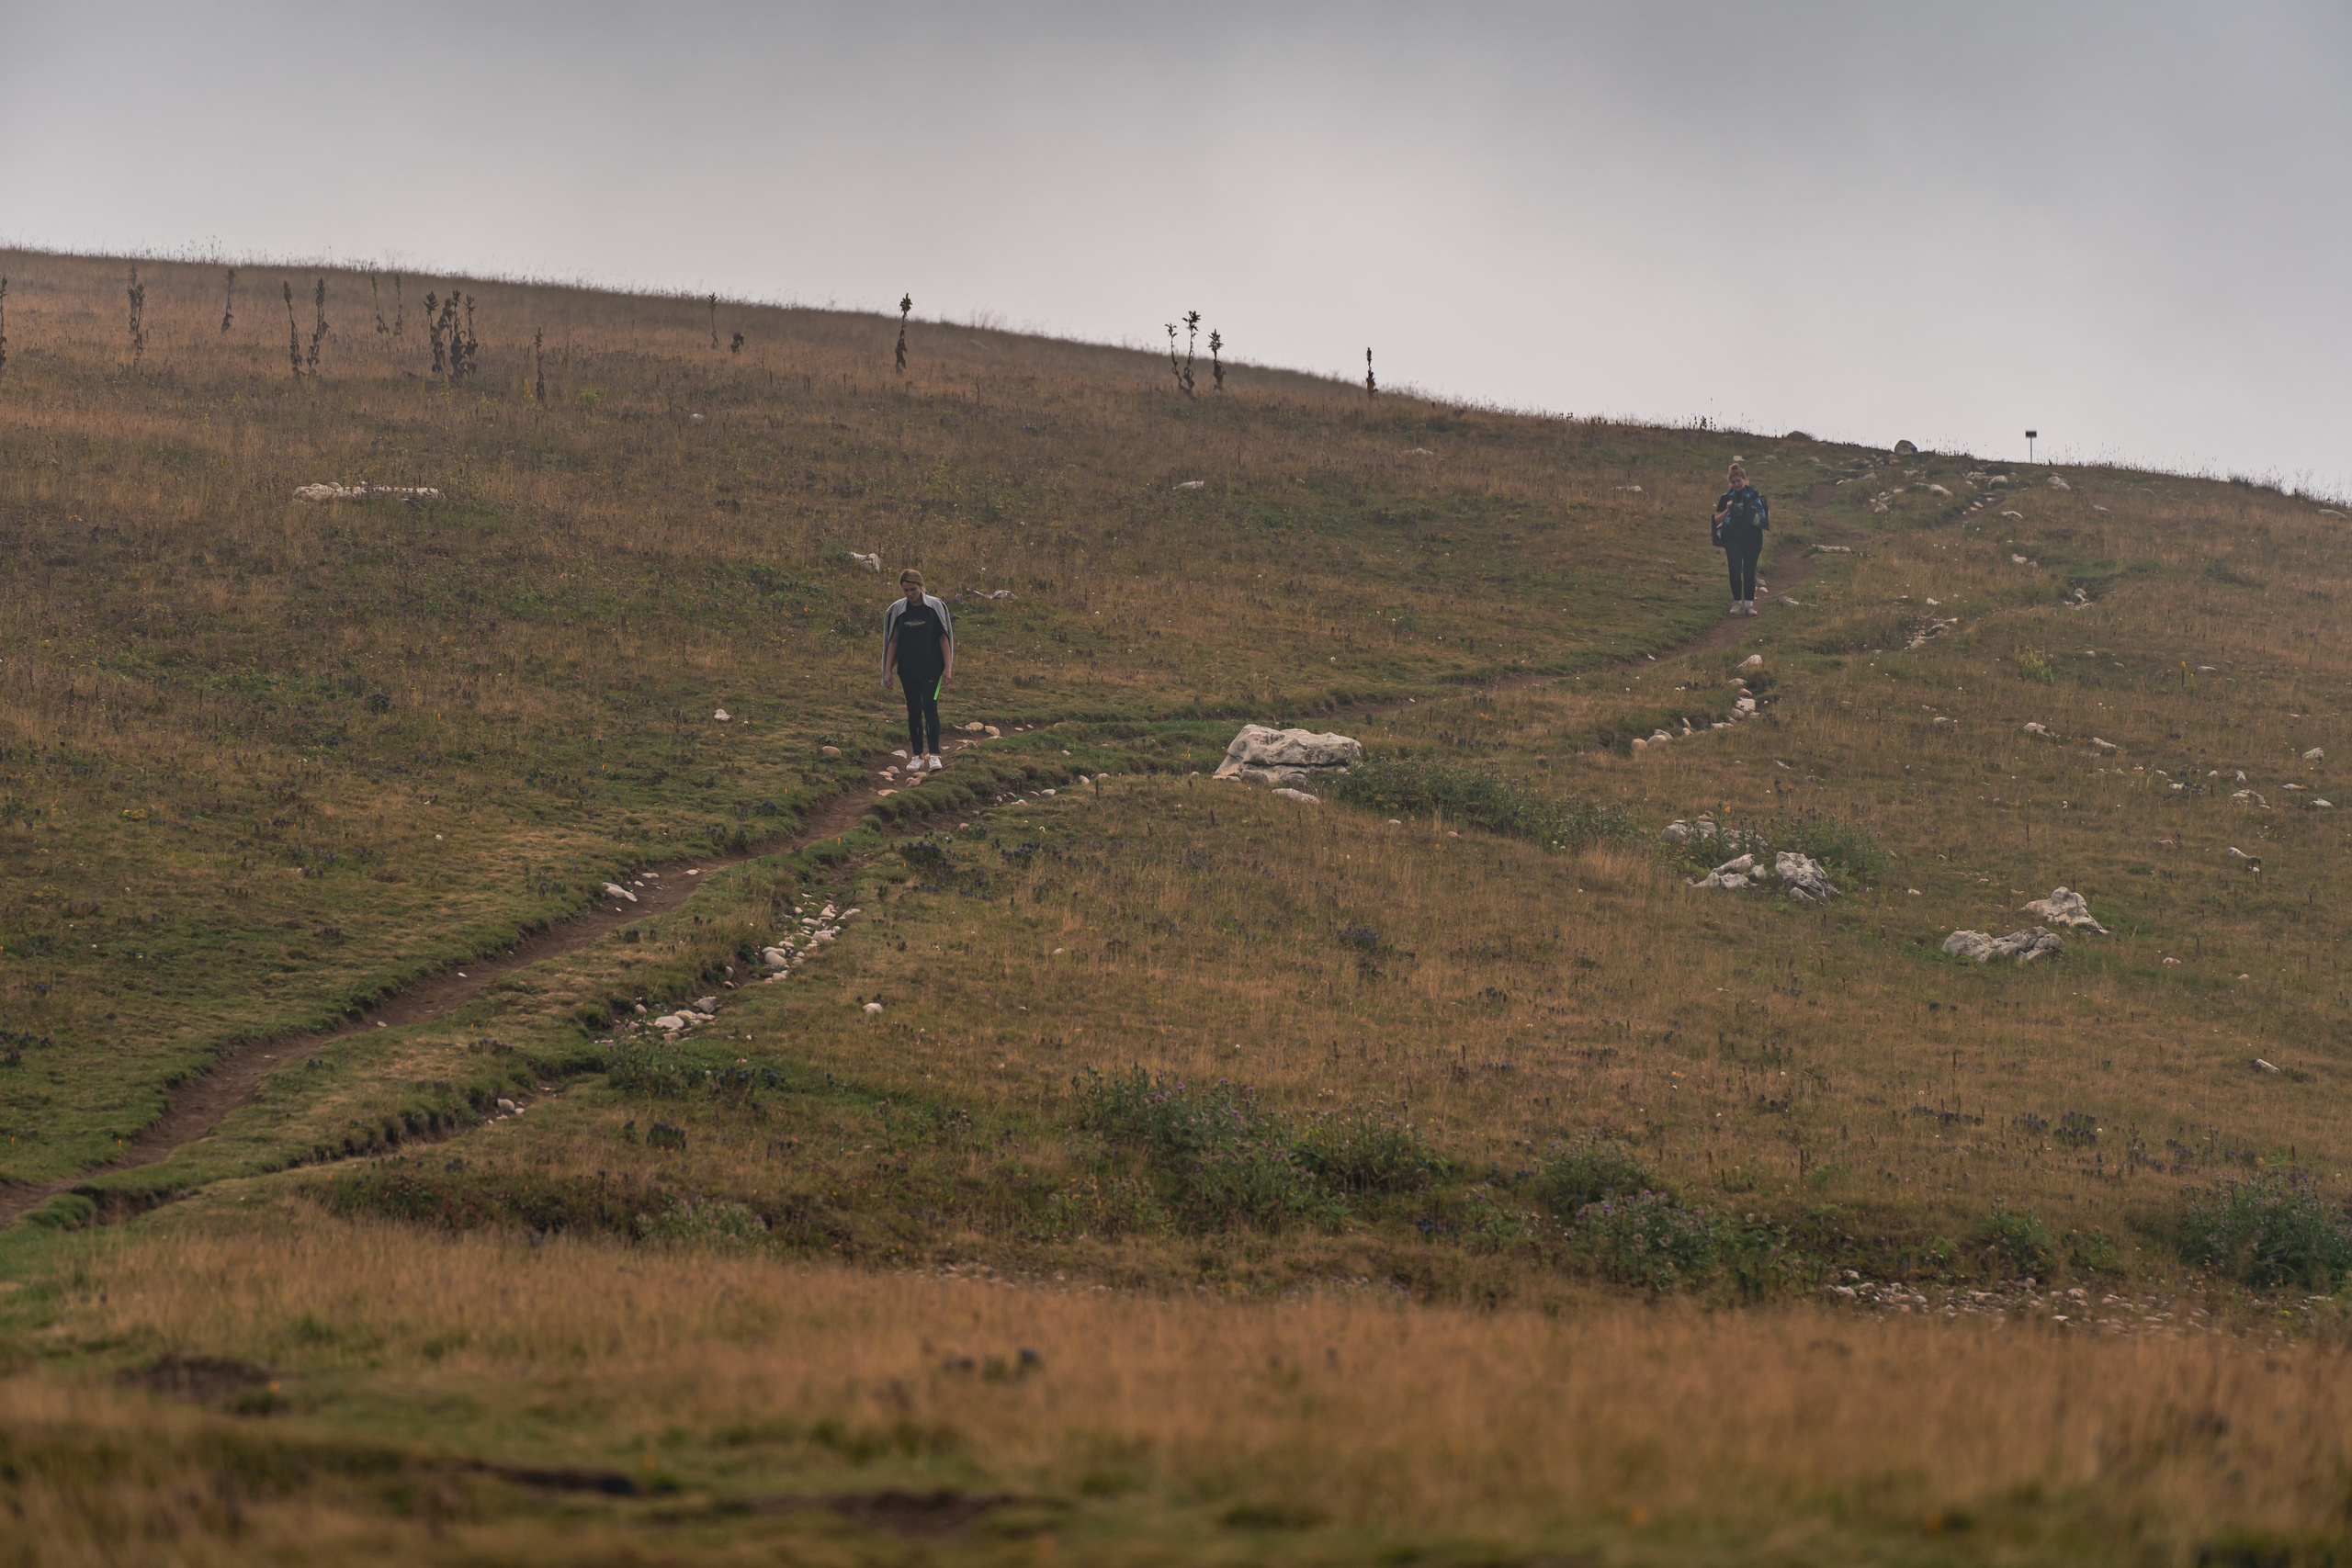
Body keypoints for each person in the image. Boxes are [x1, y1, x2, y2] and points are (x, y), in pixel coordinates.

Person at [881, 568, 955, 772]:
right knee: (913, 710)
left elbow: (944, 637)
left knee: (930, 707)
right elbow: (893, 640)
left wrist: (948, 667)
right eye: (905, 590)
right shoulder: (898, 610)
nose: (909, 594)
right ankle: (917, 756)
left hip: (932, 669)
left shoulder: (934, 607)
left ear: (920, 587)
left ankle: (935, 755)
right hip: (907, 670)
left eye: (912, 589)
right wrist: (887, 671)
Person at [1712, 460, 1770, 616]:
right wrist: (1728, 509)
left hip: (1753, 540)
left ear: (1745, 479)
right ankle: (1737, 602)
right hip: (1732, 539)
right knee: (1735, 569)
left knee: (1749, 571)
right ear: (1730, 482)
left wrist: (1754, 512)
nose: (1736, 484)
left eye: (1739, 481)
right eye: (1733, 482)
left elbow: (1766, 516)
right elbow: (1717, 519)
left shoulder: (1756, 496)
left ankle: (1750, 606)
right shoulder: (1726, 498)